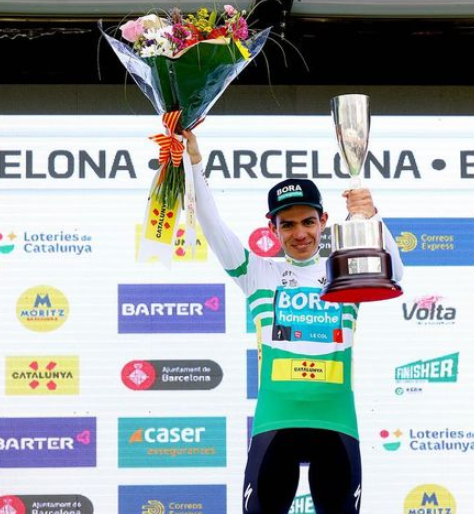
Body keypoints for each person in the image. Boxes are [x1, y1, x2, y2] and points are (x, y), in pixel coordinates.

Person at [183, 130, 403, 514]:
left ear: (324, 222)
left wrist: (372, 216)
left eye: (307, 221)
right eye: (287, 224)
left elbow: (395, 276)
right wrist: (194, 161)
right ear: (273, 229)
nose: (300, 233)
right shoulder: (256, 273)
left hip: (336, 422)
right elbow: (211, 223)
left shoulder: (344, 269)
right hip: (276, 421)